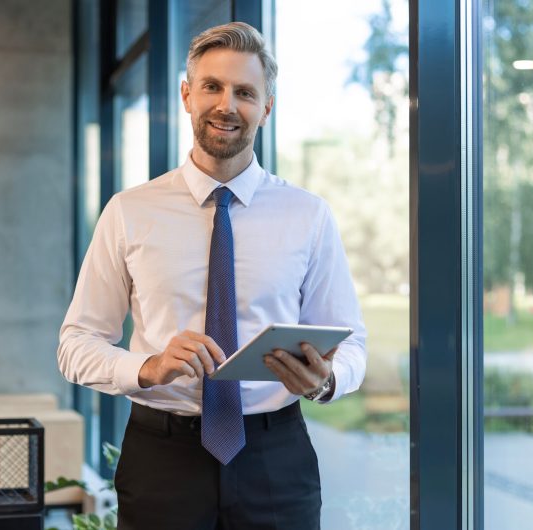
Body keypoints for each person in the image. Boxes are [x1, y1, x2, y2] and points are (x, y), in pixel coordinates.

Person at [58, 21, 366, 530]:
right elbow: (75, 344)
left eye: (245, 92)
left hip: (276, 458)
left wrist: (327, 380)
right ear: (186, 95)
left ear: (267, 107)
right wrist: (148, 368)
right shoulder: (129, 212)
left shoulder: (308, 215)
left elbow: (351, 342)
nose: (227, 104)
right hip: (162, 458)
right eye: (212, 87)